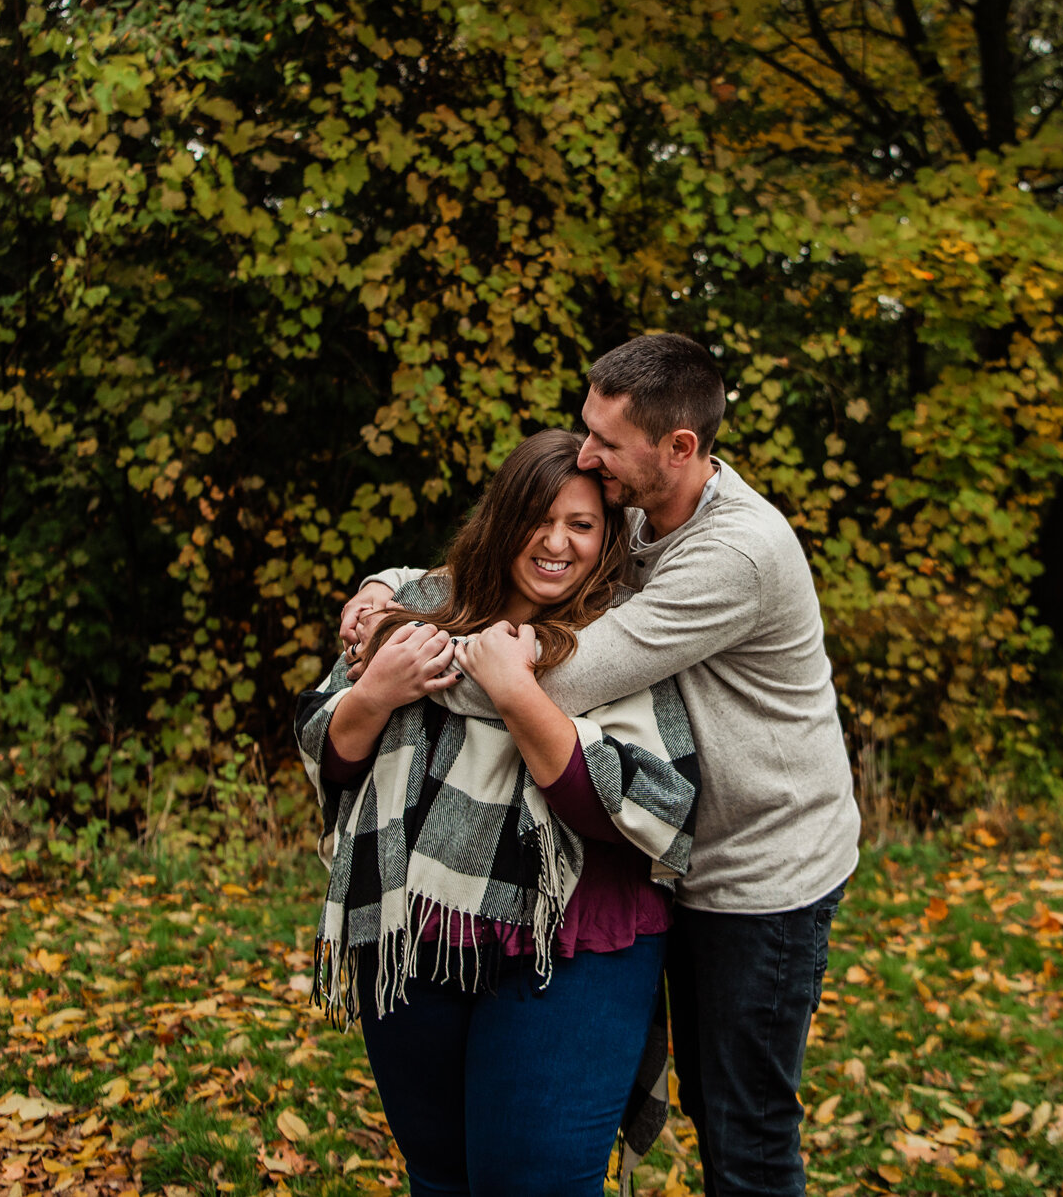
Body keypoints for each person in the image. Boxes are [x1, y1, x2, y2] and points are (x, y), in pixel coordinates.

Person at [344, 333, 862, 1197]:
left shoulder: (734, 554)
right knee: (708, 1097)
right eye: (586, 429)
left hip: (760, 868)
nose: (586, 453)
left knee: (746, 1130)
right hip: (678, 860)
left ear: (680, 447)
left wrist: (401, 657)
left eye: (605, 441)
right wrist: (382, 588)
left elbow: (550, 680)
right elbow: (495, 556)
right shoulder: (632, 505)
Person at [296, 428, 699, 1197]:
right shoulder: (421, 606)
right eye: (536, 520)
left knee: (535, 1179)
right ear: (500, 519)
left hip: (573, 937)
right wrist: (379, 689)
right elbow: (330, 751)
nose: (555, 543)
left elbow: (645, 802)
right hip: (414, 929)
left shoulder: (624, 636)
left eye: (581, 525)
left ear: (607, 535)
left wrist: (517, 693)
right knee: (441, 1171)